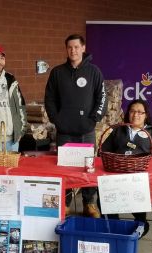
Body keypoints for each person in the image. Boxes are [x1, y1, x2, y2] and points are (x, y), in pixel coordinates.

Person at [45, 34, 108, 218]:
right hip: (64, 132)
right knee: (64, 168)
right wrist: (56, 119)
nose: (73, 51)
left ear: (83, 48)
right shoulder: (57, 72)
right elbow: (49, 98)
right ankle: (64, 203)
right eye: (69, 47)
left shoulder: (94, 72)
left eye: (76, 47)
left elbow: (102, 97)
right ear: (66, 50)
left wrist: (94, 118)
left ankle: (89, 204)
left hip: (86, 130)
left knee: (87, 168)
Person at [100, 99, 152, 237]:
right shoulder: (118, 130)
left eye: (140, 112)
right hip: (116, 177)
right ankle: (114, 227)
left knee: (137, 193)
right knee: (103, 193)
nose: (136, 115)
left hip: (142, 180)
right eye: (133, 111)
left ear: (146, 115)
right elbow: (103, 151)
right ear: (128, 113)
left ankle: (140, 224)